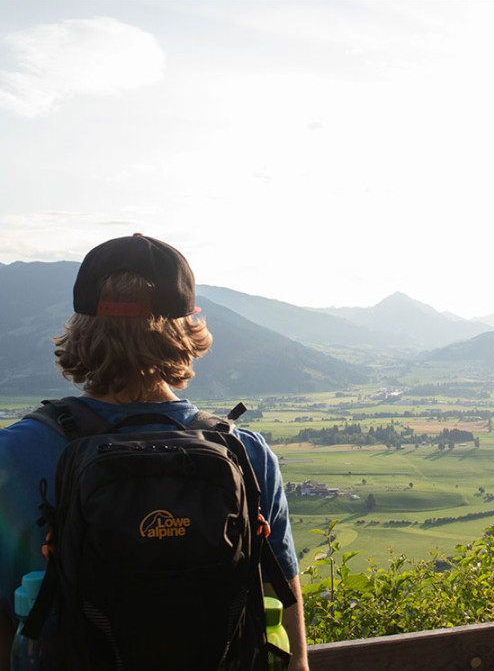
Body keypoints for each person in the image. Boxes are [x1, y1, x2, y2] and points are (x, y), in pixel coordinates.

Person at [0, 234, 309, 671]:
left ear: (81, 326)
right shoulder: (245, 453)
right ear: (186, 328)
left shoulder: (11, 454)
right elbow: (290, 642)